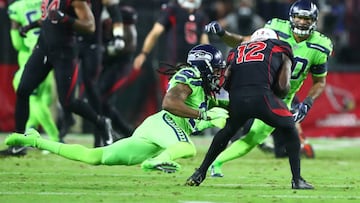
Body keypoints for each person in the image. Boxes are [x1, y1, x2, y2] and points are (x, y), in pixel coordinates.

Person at [4, 44, 229, 173]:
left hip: (155, 134)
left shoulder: (201, 87)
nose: (219, 74)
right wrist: (203, 114)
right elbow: (169, 103)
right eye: (217, 69)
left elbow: (213, 104)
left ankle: (33, 140)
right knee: (187, 148)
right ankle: (159, 161)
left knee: (94, 157)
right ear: (204, 66)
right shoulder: (189, 77)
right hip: (164, 124)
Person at [203, 0, 332, 179]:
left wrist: (307, 103)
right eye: (298, 17)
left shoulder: (320, 45)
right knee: (234, 125)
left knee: (254, 136)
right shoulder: (276, 28)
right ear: (291, 18)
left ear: (315, 20)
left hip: (283, 96)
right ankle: (206, 117)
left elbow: (319, 81)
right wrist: (223, 34)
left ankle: (216, 162)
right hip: (260, 85)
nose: (302, 22)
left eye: (307, 18)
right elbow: (244, 42)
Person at [186, 28, 313, 189]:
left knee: (227, 131)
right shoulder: (280, 46)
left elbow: (227, 83)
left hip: (238, 99)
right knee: (289, 126)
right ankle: (297, 180)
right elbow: (282, 88)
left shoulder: (236, 51)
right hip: (263, 97)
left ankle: (200, 172)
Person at [4, 0, 114, 155]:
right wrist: (31, 26)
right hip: (43, 48)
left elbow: (90, 26)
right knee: (23, 89)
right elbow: (49, 19)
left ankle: (102, 122)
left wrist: (66, 18)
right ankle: (19, 143)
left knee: (68, 102)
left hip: (65, 53)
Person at [58, 0, 129, 147]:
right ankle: (66, 121)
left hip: (92, 43)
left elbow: (115, 12)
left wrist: (118, 36)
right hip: (70, 42)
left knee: (91, 87)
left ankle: (100, 135)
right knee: (65, 86)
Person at [0, 0, 60, 156]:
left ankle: (54, 138)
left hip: (33, 56)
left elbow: (17, 44)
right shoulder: (45, 2)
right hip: (48, 52)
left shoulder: (16, 7)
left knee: (32, 99)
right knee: (37, 101)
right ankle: (27, 136)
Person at [133, 0, 209, 98]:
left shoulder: (201, 16)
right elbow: (155, 32)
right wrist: (143, 53)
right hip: (173, 65)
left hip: (193, 68)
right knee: (170, 98)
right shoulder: (172, 10)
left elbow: (205, 41)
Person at [98, 5, 139, 140]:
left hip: (120, 69)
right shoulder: (109, 24)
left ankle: (124, 132)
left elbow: (123, 50)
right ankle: (123, 132)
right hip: (110, 68)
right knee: (102, 102)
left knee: (103, 101)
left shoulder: (127, 31)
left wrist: (104, 50)